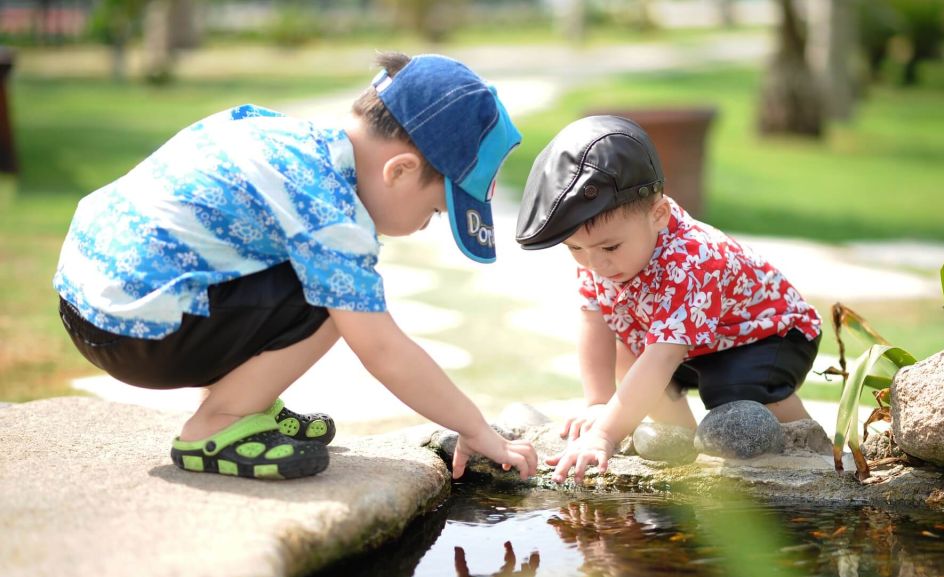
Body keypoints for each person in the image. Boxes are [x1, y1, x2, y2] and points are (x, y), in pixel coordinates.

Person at [54, 52, 537, 481]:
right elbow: (383, 350)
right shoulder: (330, 211)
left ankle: (246, 403)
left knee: (312, 274)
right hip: (136, 333)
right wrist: (474, 427)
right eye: (434, 212)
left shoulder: (285, 137)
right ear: (401, 171)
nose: (423, 226)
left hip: (89, 301)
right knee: (339, 301)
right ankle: (217, 425)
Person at [515, 115, 821, 484]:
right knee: (629, 353)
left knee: (732, 391)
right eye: (575, 248)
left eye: (610, 246)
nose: (596, 263)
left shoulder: (692, 259)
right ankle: (682, 449)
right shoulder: (601, 256)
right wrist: (599, 402)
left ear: (658, 214)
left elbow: (663, 356)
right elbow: (594, 320)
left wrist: (604, 434)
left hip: (767, 336)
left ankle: (808, 447)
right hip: (691, 343)